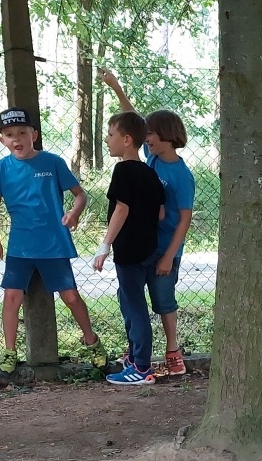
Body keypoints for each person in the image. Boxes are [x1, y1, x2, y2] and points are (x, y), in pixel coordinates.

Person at [0, 107, 105, 375]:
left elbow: (80, 195)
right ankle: (9, 351)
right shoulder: (2, 168)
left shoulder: (53, 162)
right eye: (9, 134)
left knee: (70, 297)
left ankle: (92, 342)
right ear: (2, 140)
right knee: (11, 296)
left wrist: (74, 213)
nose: (17, 139)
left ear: (34, 135)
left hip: (53, 244)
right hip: (20, 246)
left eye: (22, 133)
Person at [98, 69, 194, 376]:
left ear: (167, 136)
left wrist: (168, 256)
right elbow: (134, 124)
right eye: (146, 135)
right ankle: (137, 351)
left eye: (152, 135)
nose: (147, 139)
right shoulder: (150, 161)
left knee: (163, 300)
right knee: (131, 298)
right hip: (146, 245)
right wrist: (116, 87)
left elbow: (184, 219)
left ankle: (172, 351)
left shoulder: (182, 175)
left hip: (166, 249)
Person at [93, 111, 166, 386]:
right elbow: (160, 213)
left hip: (129, 251)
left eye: (111, 134)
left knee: (135, 306)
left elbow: (121, 209)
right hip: (149, 249)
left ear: (126, 139)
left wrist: (104, 245)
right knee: (129, 300)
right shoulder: (150, 172)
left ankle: (142, 367)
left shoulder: (123, 170)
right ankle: (135, 359)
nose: (107, 140)